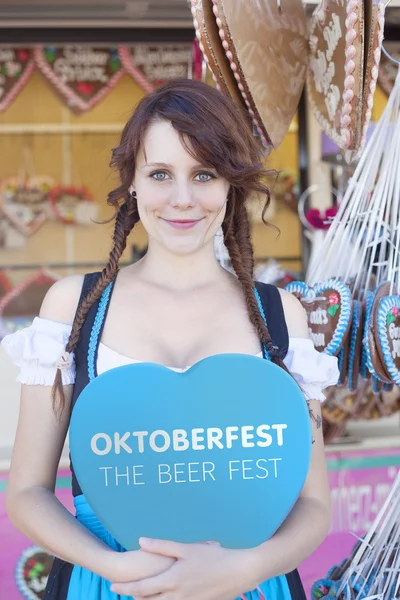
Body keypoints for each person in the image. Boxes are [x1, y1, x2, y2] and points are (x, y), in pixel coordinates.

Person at [2, 78, 339, 600]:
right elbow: (25, 492)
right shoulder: (74, 309)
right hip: (109, 582)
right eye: (160, 174)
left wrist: (246, 569)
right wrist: (117, 567)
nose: (182, 199)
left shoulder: (279, 317)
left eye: (203, 174)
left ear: (230, 185)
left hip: (247, 584)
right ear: (132, 182)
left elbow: (314, 505)